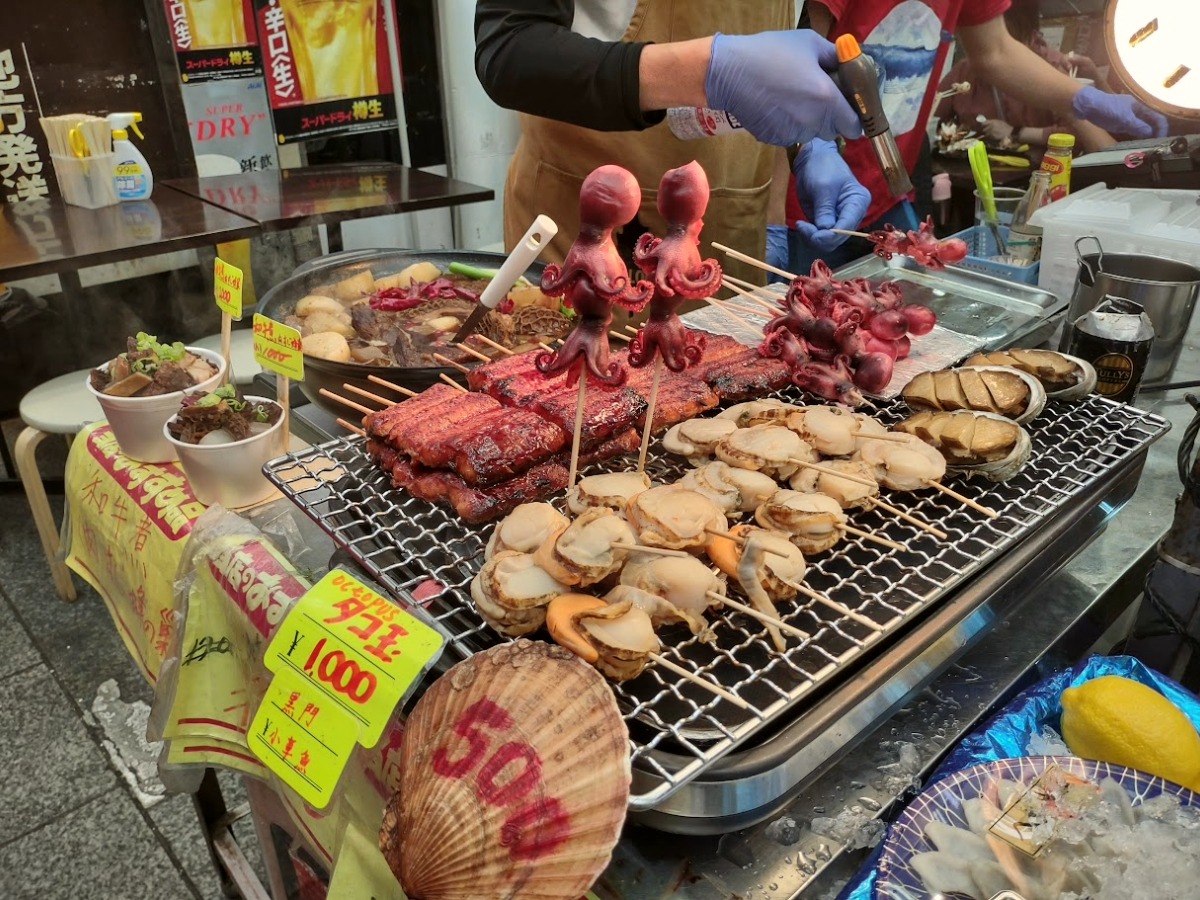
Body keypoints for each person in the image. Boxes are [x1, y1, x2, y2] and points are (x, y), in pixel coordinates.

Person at [474, 2, 864, 283]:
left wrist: (809, 144)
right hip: (594, 237)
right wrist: (709, 69)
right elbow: (509, 50)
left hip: (731, 227)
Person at [781, 0, 1169, 274]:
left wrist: (1083, 98)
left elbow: (996, 51)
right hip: (814, 190)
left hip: (890, 190)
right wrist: (810, 148)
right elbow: (794, 54)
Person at [934, 0, 1113, 157]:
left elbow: (1080, 137)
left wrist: (1016, 132)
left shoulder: (1056, 68)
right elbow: (933, 116)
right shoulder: (966, 71)